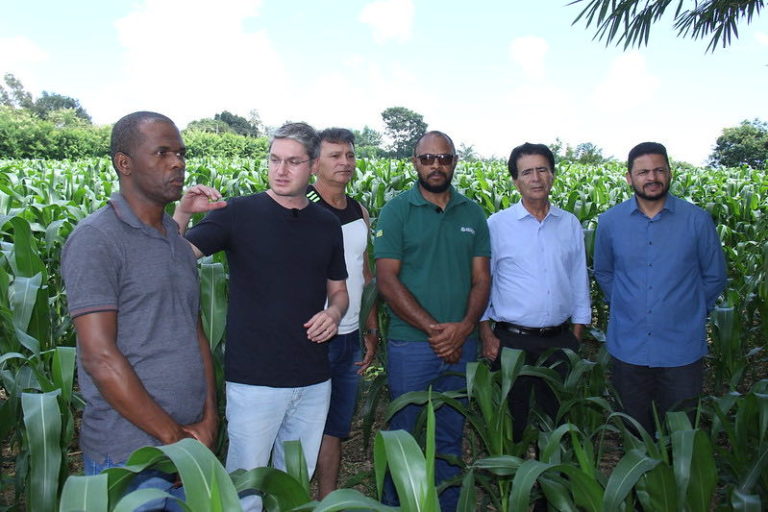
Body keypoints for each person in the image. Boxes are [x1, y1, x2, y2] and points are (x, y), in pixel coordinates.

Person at [173, 122, 348, 512]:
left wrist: (334, 314)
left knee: (292, 488)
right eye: (274, 160)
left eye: (293, 162)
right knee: (244, 492)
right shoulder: (236, 213)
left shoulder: (326, 224)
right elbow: (171, 258)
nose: (281, 170)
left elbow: (339, 291)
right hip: (254, 381)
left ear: (314, 165)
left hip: (313, 380)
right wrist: (182, 212)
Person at [61, 111, 220, 510]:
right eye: (162, 152)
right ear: (124, 163)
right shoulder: (96, 239)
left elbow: (195, 331)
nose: (178, 163)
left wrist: (209, 418)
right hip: (128, 459)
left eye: (181, 153)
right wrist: (173, 437)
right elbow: (99, 357)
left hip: (188, 449)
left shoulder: (175, 239)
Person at [374, 130, 491, 512]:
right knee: (403, 435)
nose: (436, 165)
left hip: (462, 343)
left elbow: (482, 278)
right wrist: (434, 330)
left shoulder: (472, 212)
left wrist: (464, 327)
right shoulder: (396, 211)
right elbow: (386, 279)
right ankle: (394, 506)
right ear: (415, 162)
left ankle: (448, 505)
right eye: (428, 159)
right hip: (412, 344)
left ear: (455, 161)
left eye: (444, 158)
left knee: (450, 438)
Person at [594, 141, 727, 433]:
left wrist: (689, 311)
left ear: (669, 173)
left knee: (681, 434)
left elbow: (714, 276)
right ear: (629, 177)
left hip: (682, 349)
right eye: (642, 172)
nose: (651, 178)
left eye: (658, 170)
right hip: (628, 347)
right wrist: (626, 305)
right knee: (634, 433)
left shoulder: (697, 220)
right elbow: (604, 271)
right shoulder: (610, 222)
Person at [479, 142, 591, 441]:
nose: (536, 178)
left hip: (559, 340)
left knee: (556, 425)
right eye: (527, 172)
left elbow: (579, 280)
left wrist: (576, 335)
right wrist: (486, 334)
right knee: (511, 423)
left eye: (542, 170)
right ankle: (513, 484)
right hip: (511, 342)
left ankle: (552, 485)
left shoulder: (569, 223)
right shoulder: (497, 225)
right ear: (516, 181)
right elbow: (483, 283)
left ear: (553, 175)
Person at [307, 128, 379, 498]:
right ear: (315, 162)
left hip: (350, 336)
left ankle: (327, 500)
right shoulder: (302, 208)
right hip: (311, 336)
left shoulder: (359, 211)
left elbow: (365, 274)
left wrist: (371, 328)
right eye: (335, 156)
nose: (345, 162)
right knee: (301, 426)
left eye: (350, 155)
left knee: (335, 426)